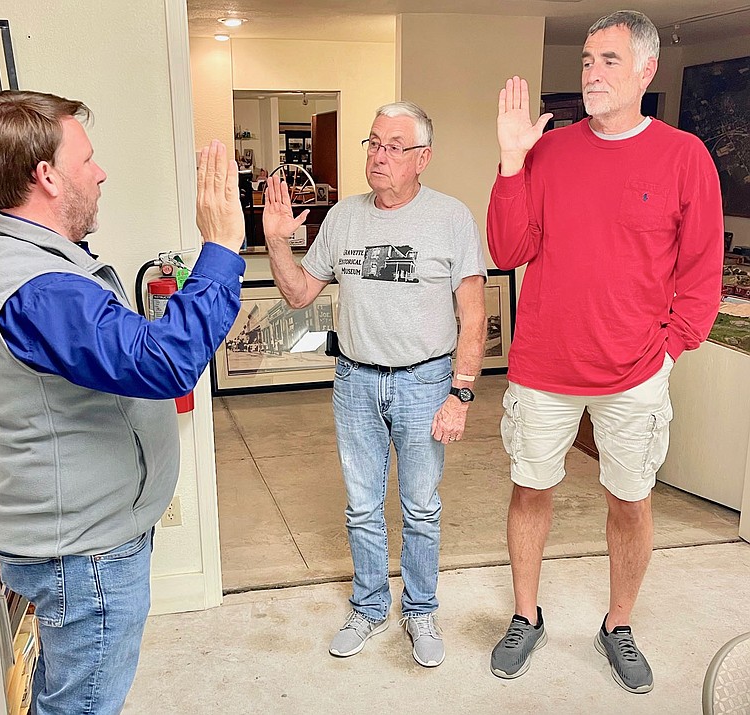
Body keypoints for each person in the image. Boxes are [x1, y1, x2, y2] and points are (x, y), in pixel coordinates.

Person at [0, 90, 245, 714]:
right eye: (86, 159)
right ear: (47, 177)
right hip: (83, 558)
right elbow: (167, 363)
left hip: (81, 544)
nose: (101, 171)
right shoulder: (37, 288)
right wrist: (222, 249)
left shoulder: (31, 262)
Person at [486, 10, 723, 694]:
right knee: (531, 488)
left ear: (646, 70)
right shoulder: (550, 152)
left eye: (609, 60)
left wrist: (669, 351)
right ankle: (525, 614)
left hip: (636, 373)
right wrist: (510, 162)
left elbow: (701, 274)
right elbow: (507, 249)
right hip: (542, 364)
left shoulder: (685, 157)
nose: (592, 72)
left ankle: (618, 624)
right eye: (588, 60)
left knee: (630, 498)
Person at [262, 101, 487, 668]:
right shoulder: (342, 217)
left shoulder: (451, 218)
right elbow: (298, 295)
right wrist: (277, 241)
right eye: (374, 143)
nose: (379, 156)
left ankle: (420, 610)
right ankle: (368, 607)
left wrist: (460, 394)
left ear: (423, 159)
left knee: (420, 507)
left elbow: (474, 315)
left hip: (426, 380)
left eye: (394, 146)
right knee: (362, 507)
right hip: (355, 381)